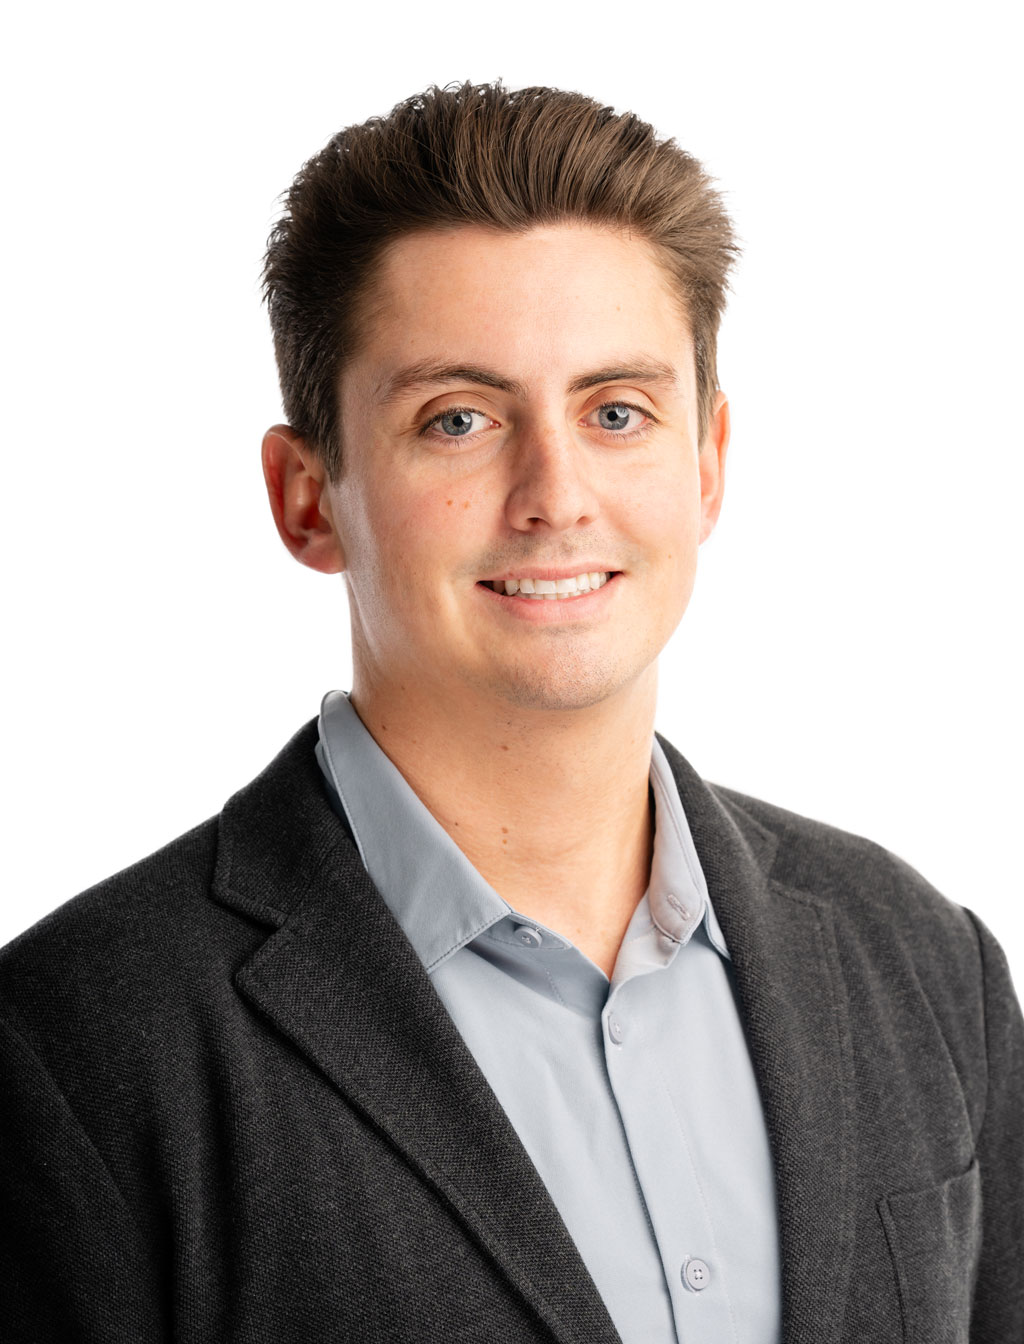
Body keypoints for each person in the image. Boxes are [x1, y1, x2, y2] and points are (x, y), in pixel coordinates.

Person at [1, 79, 1020, 1344]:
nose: (555, 493)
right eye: (461, 419)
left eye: (615, 412)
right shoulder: (76, 1050)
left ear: (704, 463)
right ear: (308, 497)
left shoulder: (924, 966)